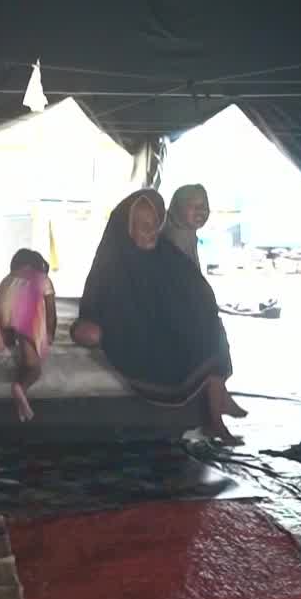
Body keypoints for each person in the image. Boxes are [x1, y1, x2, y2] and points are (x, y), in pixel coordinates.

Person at [73, 189, 245, 443]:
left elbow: (196, 288)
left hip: (162, 324)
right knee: (91, 333)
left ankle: (215, 416)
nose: (152, 231)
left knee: (211, 328)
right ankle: (215, 413)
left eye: (155, 225)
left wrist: (195, 311)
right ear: (127, 227)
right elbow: (106, 308)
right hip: (131, 330)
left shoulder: (165, 252)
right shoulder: (114, 261)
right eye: (144, 226)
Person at [0, 249, 56, 422]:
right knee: (32, 365)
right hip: (26, 314)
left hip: (1, 305)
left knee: (6, 327)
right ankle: (20, 386)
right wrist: (49, 334)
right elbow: (51, 314)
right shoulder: (43, 279)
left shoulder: (8, 279)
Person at [164, 184, 210, 270]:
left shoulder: (189, 237)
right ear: (178, 208)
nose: (201, 210)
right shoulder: (173, 244)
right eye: (192, 205)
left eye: (204, 205)